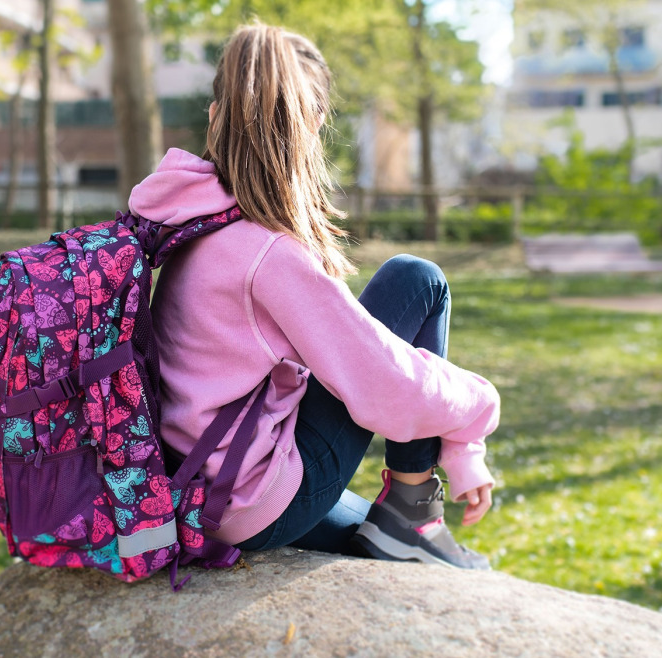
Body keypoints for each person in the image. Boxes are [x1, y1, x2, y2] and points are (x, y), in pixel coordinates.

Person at [130, 23, 500, 569]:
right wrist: (478, 412)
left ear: (214, 116)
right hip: (251, 501)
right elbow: (384, 384)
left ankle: (399, 526)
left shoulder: (190, 224)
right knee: (415, 279)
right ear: (313, 124)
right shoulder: (268, 255)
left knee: (368, 535)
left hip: (195, 492)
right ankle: (413, 511)